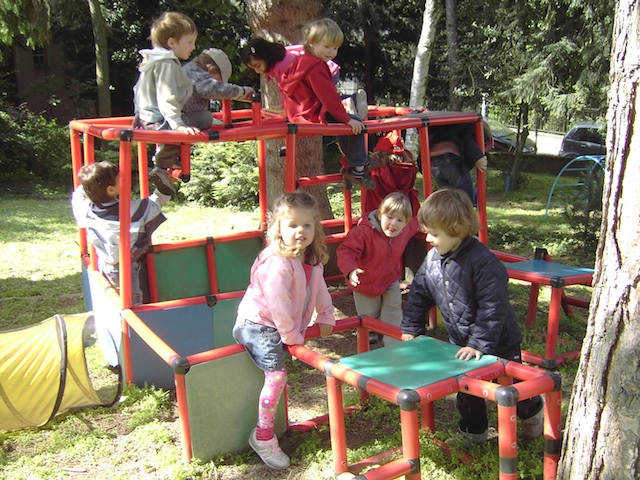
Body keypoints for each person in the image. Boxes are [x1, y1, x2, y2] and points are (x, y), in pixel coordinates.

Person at [400, 188, 543, 445]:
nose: (428, 239)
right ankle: (473, 432)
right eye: (427, 232)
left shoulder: (483, 262)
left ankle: (532, 412)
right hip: (462, 342)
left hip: (499, 341)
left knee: (512, 387)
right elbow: (420, 292)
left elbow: (493, 307)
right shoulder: (432, 259)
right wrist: (412, 326)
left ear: (456, 229)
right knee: (467, 391)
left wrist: (478, 343)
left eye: (434, 234)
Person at [233, 191, 335, 470]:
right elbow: (277, 304)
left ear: (316, 228)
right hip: (259, 324)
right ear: (278, 229)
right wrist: (292, 338)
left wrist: (326, 314)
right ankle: (263, 436)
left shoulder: (310, 257)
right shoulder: (277, 262)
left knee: (278, 373)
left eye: (307, 225)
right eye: (292, 225)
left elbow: (319, 287)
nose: (300, 231)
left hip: (280, 325)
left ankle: (267, 430)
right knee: (277, 376)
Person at [279, 18, 375, 190]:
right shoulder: (317, 66)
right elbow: (328, 97)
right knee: (356, 124)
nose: (331, 52)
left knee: (345, 123)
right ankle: (358, 168)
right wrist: (347, 119)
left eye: (335, 48)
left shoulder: (300, 60)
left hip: (298, 111)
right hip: (312, 112)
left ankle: (354, 161)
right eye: (327, 46)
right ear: (312, 43)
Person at [71, 161, 171, 306]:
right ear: (111, 190)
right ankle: (134, 319)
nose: (126, 179)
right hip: (123, 269)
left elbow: (78, 195)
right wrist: (165, 186)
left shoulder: (85, 209)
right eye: (120, 179)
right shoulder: (125, 211)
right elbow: (154, 204)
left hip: (105, 263)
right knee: (131, 303)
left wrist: (90, 182)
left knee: (113, 300)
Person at [132, 11, 204, 196]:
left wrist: (140, 116)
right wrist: (177, 124)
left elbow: (138, 90)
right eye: (189, 42)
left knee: (193, 121)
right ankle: (163, 165)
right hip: (160, 120)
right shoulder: (167, 64)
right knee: (204, 118)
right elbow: (167, 96)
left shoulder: (152, 62)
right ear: (172, 42)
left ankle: (171, 160)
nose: (193, 47)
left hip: (147, 118)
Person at [337, 192, 419, 346]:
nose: (393, 223)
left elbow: (419, 220)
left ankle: (394, 343)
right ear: (380, 215)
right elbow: (346, 251)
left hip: (389, 278)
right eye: (390, 217)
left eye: (399, 220)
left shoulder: (405, 231)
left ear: (406, 223)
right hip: (365, 281)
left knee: (393, 308)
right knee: (369, 313)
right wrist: (351, 270)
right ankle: (370, 332)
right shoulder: (364, 232)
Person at [241, 37, 367, 118]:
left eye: (258, 66)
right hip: (325, 71)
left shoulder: (281, 66)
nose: (257, 71)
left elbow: (287, 89)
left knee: (318, 103)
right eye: (254, 68)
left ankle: (347, 102)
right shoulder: (282, 56)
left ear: (266, 56)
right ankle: (353, 99)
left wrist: (285, 108)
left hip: (323, 73)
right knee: (319, 100)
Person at [182, 48, 255, 127]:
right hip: (177, 121)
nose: (220, 83)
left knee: (210, 119)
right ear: (212, 70)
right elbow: (217, 89)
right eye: (220, 80)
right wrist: (242, 92)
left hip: (180, 117)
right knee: (206, 117)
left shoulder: (191, 70)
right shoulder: (195, 76)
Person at [427, 122, 492, 205]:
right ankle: (465, 212)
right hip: (451, 159)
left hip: (433, 162)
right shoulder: (471, 125)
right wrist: (478, 157)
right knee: (466, 200)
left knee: (448, 201)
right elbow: (467, 139)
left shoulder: (445, 125)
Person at [361, 130, 420, 216]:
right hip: (404, 215)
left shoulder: (375, 170)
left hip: (377, 214)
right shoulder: (409, 169)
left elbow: (352, 168)